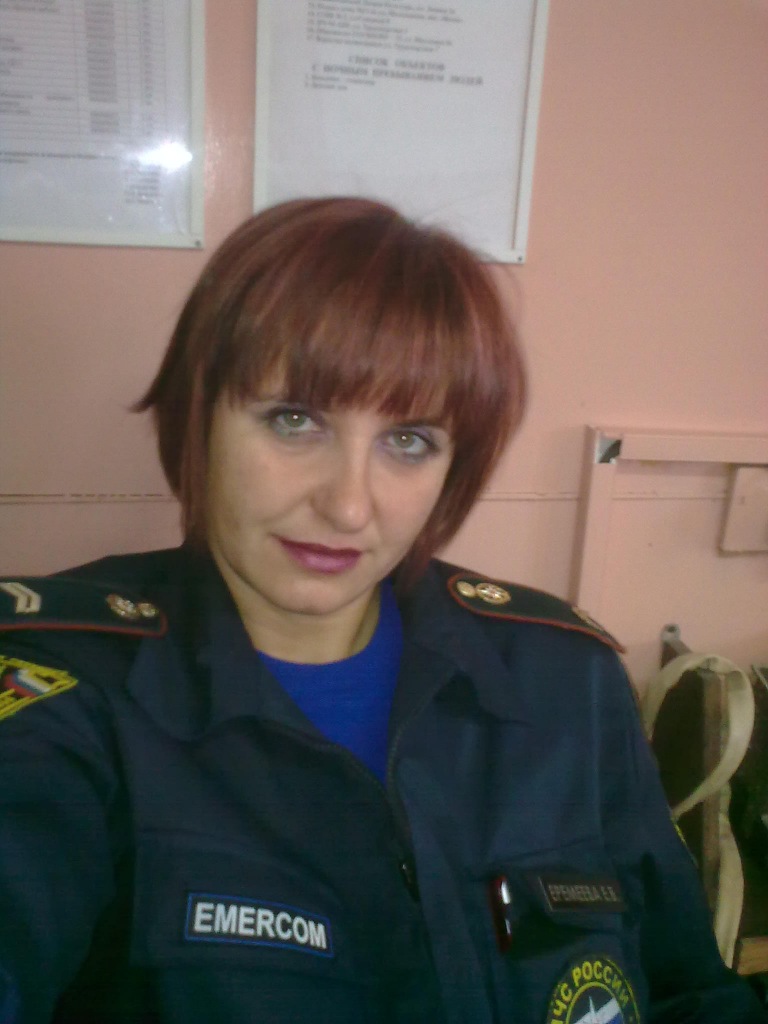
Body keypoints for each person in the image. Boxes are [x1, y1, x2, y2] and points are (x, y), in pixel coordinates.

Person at [0, 197, 763, 1024]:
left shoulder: (562, 678)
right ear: (199, 418)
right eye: (294, 420)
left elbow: (690, 992)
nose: (349, 506)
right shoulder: (67, 684)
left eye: (409, 441)